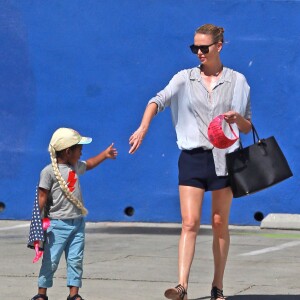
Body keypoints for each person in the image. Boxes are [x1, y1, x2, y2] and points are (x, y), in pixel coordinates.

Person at [129, 24, 252, 300]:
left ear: (219, 46)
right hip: (192, 158)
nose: (198, 52)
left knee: (220, 222)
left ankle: (217, 286)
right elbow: (157, 100)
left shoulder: (239, 81)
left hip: (225, 158)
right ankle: (182, 286)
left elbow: (247, 126)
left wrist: (237, 119)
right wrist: (143, 127)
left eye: (203, 47)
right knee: (189, 222)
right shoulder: (184, 79)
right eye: (194, 47)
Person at [30, 128, 118, 300]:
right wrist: (37, 222)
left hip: (77, 224)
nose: (82, 151)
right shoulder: (48, 172)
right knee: (50, 261)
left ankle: (74, 295)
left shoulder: (75, 166)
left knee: (75, 260)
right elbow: (41, 196)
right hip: (57, 226)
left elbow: (90, 163)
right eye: (79, 148)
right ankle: (41, 294)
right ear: (68, 151)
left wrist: (105, 154)